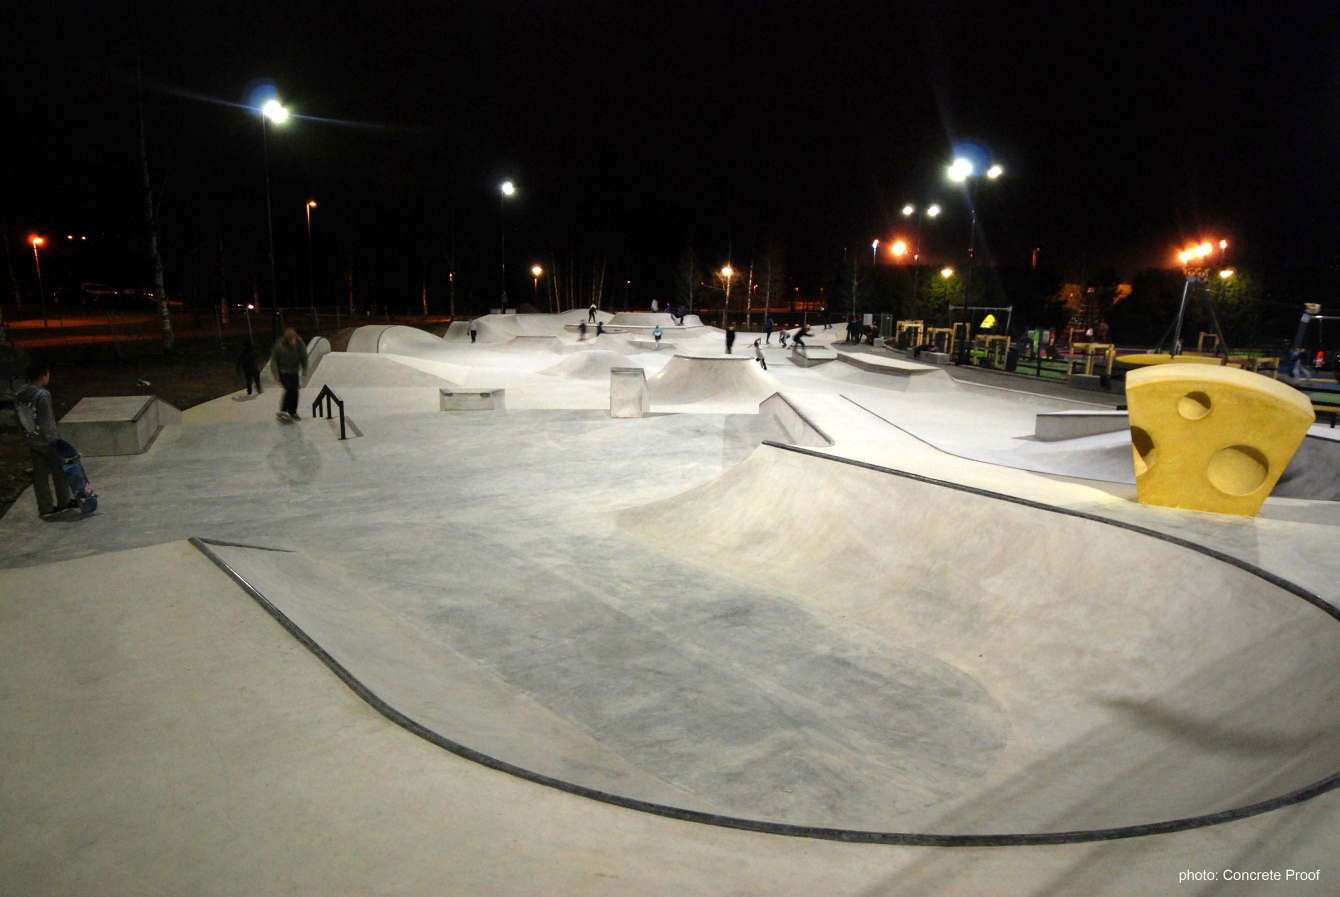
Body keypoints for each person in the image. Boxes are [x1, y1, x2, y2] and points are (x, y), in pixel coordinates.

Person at [16, 361, 77, 518]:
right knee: (59, 470)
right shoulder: (42, 394)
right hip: (47, 441)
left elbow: (20, 417)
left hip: (32, 438)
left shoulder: (20, 393)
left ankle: (45, 507)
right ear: (43, 376)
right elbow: (47, 420)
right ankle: (64, 501)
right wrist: (55, 440)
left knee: (40, 475)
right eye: (48, 374)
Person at [270, 327, 309, 422]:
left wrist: (304, 370)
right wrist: (276, 374)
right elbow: (274, 361)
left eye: (294, 340)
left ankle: (293, 412)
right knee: (289, 389)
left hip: (294, 371)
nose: (293, 342)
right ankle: (283, 410)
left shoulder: (300, 344)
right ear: (286, 340)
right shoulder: (279, 345)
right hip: (283, 371)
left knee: (295, 391)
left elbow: (304, 357)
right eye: (290, 340)